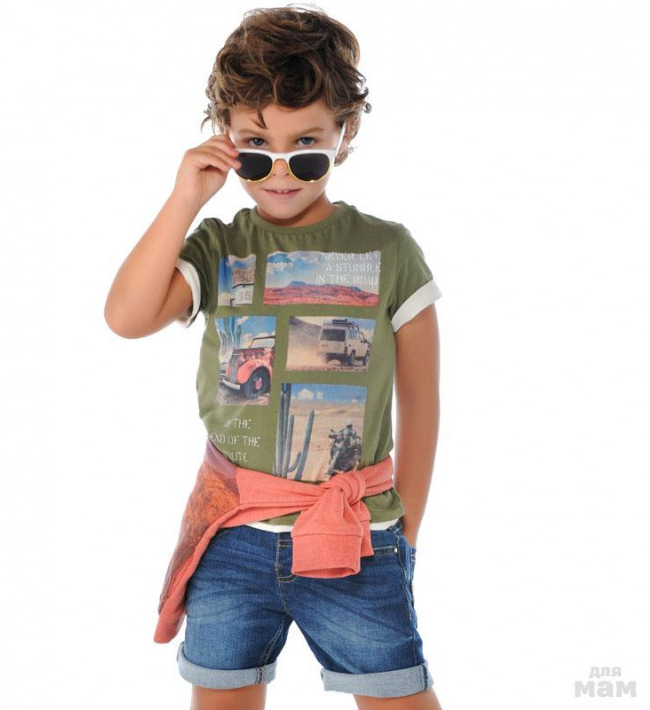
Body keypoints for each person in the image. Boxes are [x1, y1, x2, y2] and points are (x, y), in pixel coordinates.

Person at [104, 5, 443, 710]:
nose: (280, 171)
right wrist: (185, 198)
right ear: (226, 138)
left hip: (356, 537)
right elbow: (126, 318)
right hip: (232, 538)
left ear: (344, 134)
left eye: (306, 145)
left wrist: (406, 527)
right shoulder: (220, 246)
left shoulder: (390, 250)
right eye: (256, 147)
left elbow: (421, 396)